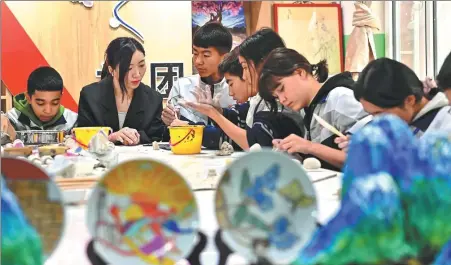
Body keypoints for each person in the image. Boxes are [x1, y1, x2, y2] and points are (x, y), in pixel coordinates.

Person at [183, 28, 305, 150]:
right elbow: (238, 116)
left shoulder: (282, 101)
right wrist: (216, 111)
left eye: (245, 67)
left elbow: (256, 142)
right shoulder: (262, 99)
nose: (245, 76)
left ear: (264, 63)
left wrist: (213, 115)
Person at [259, 48, 370, 171]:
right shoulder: (309, 110)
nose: (282, 99)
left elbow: (369, 159)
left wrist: (309, 147)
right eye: (276, 97)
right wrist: (294, 150)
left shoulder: (341, 98)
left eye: (281, 89)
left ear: (300, 73)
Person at [77, 37, 165, 145]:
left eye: (141, 65)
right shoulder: (90, 96)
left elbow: (155, 136)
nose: (137, 74)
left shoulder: (154, 99)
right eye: (128, 68)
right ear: (111, 69)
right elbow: (83, 137)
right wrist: (111, 137)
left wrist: (137, 137)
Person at [161, 22, 235, 126]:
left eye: (206, 55)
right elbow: (170, 132)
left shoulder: (235, 90)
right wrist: (168, 121)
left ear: (225, 57)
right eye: (195, 53)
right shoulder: (181, 87)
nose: (198, 61)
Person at [0, 66, 78, 140]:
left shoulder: (72, 121)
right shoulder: (13, 119)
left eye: (55, 103)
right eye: (40, 103)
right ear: (28, 98)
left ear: (61, 98)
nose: (48, 111)